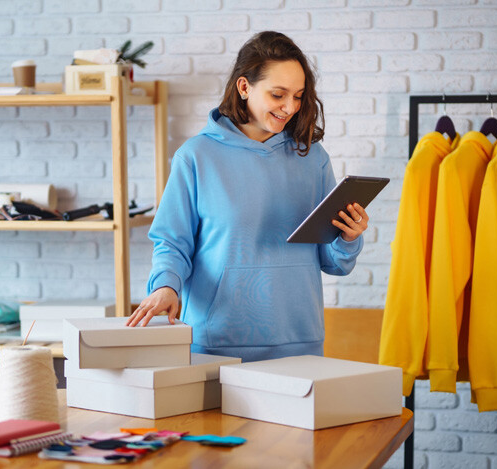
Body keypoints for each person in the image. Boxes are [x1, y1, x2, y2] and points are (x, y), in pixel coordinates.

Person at [126, 31, 368, 362]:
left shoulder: (313, 158)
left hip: (301, 342)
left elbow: (333, 262)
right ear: (244, 87)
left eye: (298, 96)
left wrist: (348, 238)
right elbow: (172, 242)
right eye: (278, 94)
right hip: (217, 345)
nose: (289, 107)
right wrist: (166, 287)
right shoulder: (196, 156)